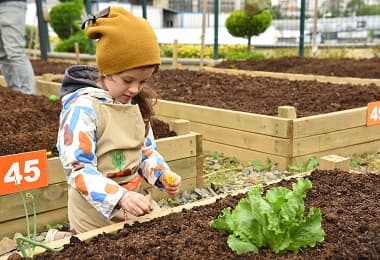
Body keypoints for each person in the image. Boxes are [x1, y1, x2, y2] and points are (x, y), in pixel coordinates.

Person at [54, 6, 182, 235]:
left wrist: (162, 175)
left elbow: (146, 152)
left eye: (143, 82)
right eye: (127, 80)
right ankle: (62, 238)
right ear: (106, 70)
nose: (135, 89)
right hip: (94, 213)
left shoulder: (135, 105)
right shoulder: (83, 108)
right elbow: (79, 169)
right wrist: (119, 196)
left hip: (134, 203)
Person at [0, 0, 35, 94]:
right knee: (2, 55)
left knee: (15, 51)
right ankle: (14, 92)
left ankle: (28, 94)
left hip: (11, 4)